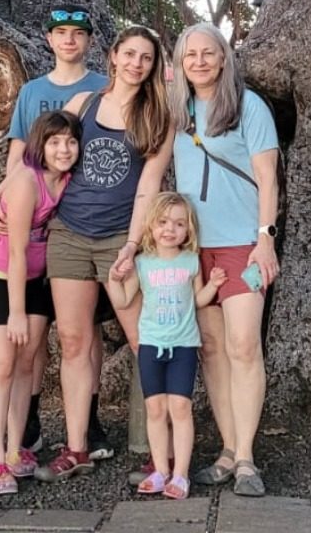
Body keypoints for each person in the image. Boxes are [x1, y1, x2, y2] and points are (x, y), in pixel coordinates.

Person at [32, 24, 171, 482]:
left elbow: (148, 187)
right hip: (70, 234)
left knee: (143, 341)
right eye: (129, 54)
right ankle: (76, 447)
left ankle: (161, 452)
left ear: (153, 66)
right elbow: (51, 159)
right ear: (112, 56)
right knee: (72, 342)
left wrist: (132, 245)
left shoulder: (157, 117)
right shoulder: (83, 104)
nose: (136, 63)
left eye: (145, 58)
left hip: (120, 238)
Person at [170, 22, 280, 497]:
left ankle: (249, 458)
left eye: (207, 53)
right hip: (194, 247)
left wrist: (266, 238)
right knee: (212, 351)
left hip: (242, 244)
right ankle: (229, 451)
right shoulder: (178, 111)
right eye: (189, 54)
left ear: (223, 58)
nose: (198, 61)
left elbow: (268, 178)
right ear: (180, 63)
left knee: (243, 345)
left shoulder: (248, 107)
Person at [0, 5, 113, 459]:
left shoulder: (102, 87)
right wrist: (1, 194)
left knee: (86, 331)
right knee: (34, 329)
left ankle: (91, 418)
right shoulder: (31, 92)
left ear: (89, 41)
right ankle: (28, 421)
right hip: (38, 230)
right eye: (61, 32)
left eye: (78, 33)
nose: (69, 40)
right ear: (48, 39)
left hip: (85, 222)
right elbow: (18, 153)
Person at [0, 110, 81, 496]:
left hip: (38, 278)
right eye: (54, 142)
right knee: (3, 364)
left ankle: (15, 446)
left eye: (70, 141)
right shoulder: (27, 182)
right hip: (2, 277)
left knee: (26, 363)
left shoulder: (67, 178)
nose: (63, 149)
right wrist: (16, 312)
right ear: (41, 144)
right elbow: (17, 252)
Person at [109, 193, 226, 499]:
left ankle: (181, 474)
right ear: (151, 226)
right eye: (162, 222)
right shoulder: (143, 263)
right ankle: (160, 470)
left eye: (178, 223)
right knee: (155, 409)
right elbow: (123, 300)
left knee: (181, 408)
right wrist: (113, 279)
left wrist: (213, 285)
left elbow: (197, 300)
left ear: (188, 230)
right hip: (151, 346)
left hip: (183, 346)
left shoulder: (191, 261)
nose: (169, 230)